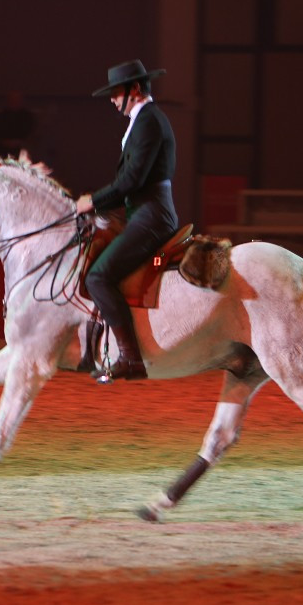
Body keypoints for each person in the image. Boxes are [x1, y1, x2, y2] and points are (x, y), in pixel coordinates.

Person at [75, 60, 179, 381]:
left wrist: (92, 200)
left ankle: (131, 358)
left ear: (134, 89)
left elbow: (132, 180)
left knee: (97, 277)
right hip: (141, 211)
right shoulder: (141, 121)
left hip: (152, 216)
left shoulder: (148, 121)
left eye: (115, 92)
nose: (111, 99)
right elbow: (129, 186)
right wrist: (96, 209)